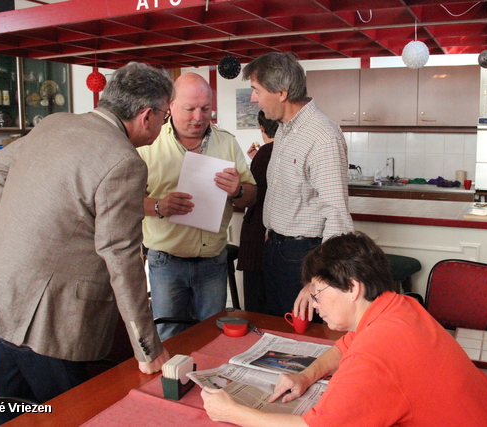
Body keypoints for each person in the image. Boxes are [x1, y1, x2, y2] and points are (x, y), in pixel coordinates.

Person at [0, 62, 173, 426]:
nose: (162, 123)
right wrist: (147, 347)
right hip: (51, 320)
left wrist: (21, 226)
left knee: (8, 408)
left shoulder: (54, 122)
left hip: (0, 294)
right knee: (70, 414)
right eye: (166, 115)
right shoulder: (124, 163)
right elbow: (122, 260)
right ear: (146, 115)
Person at [201, 232, 487, 427]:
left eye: (318, 294)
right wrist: (305, 375)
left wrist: (233, 412)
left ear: (352, 288)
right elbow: (344, 347)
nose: (315, 305)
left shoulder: (375, 353)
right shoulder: (399, 307)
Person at [138, 72, 256, 340]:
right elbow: (122, 202)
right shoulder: (148, 144)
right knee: (168, 335)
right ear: (170, 106)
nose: (198, 117)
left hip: (213, 261)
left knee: (211, 336)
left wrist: (238, 190)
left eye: (205, 109)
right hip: (166, 261)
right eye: (190, 109)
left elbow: (251, 196)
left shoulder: (226, 142)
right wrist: (158, 206)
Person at [241, 52, 353, 320]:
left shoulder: (322, 135)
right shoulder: (284, 129)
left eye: (256, 90)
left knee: (300, 341)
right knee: (275, 330)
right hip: (276, 251)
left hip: (303, 258)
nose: (253, 98)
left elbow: (338, 216)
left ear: (281, 92)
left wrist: (318, 279)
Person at [236, 110, 278, 313]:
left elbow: (255, 196)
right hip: (272, 243)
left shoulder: (266, 153)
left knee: (257, 309)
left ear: (262, 129)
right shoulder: (277, 151)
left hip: (258, 241)